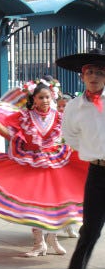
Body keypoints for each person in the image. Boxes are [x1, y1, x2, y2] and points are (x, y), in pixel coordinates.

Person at [0, 79, 88, 258]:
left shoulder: (59, 117)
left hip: (54, 163)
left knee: (53, 202)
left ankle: (52, 238)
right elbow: (8, 132)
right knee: (35, 204)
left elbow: (73, 134)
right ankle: (38, 243)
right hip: (30, 163)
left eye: (48, 97)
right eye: (41, 97)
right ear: (33, 99)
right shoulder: (24, 117)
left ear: (53, 97)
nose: (45, 101)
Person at [55, 49, 105, 269]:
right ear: (82, 76)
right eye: (89, 72)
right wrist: (92, 152)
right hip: (97, 174)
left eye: (99, 72)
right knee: (89, 233)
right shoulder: (74, 106)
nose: (94, 76)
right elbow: (71, 136)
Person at [56, 93, 79, 239]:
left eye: (64, 106)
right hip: (57, 163)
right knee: (60, 197)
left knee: (72, 197)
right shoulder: (53, 120)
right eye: (59, 106)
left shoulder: (77, 120)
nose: (61, 109)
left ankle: (70, 226)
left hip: (73, 162)